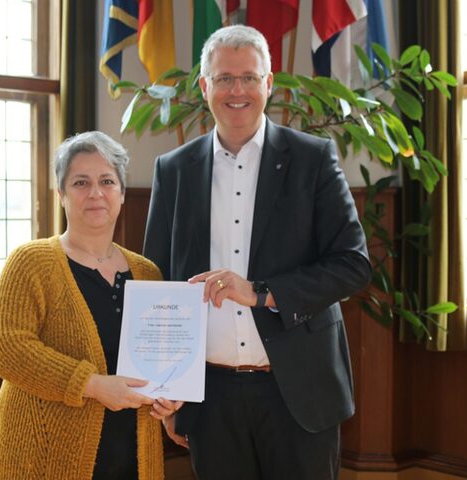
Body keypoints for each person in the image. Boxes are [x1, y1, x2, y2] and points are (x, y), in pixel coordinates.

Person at [143, 25, 372, 480]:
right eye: (225, 78)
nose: (237, 90)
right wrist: (165, 390)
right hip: (210, 397)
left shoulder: (313, 159)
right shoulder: (174, 170)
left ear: (269, 83)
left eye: (249, 77)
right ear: (205, 86)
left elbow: (353, 265)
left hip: (298, 393)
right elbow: (159, 283)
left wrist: (262, 293)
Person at [0, 131, 165, 479]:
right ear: (61, 195)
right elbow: (5, 347)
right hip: (45, 456)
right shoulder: (30, 261)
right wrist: (93, 385)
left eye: (107, 181)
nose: (96, 193)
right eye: (81, 182)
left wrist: (168, 398)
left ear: (122, 194)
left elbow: (161, 363)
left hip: (132, 453)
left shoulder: (147, 273)